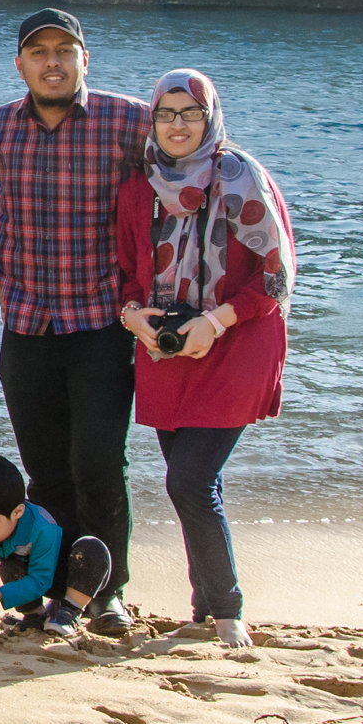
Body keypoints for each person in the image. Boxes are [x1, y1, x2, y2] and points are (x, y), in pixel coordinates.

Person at [0, 9, 151, 637]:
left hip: (101, 324)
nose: (53, 62)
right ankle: (57, 587)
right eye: (39, 52)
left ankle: (107, 593)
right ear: (21, 64)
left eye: (65, 50)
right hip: (27, 325)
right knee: (44, 471)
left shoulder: (128, 121)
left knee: (99, 462)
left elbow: (181, 170)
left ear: (84, 59)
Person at [115, 69, 295, 648]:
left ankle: (225, 609)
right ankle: (204, 607)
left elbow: (276, 276)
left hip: (237, 341)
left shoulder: (240, 178)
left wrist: (215, 322)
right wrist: (132, 315)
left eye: (190, 113)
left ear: (210, 117)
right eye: (166, 113)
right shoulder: (139, 187)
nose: (178, 125)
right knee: (194, 483)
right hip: (167, 349)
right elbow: (128, 273)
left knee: (189, 480)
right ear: (152, 120)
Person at [0, 453, 113, 640]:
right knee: (10, 567)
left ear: (17, 512)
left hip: (77, 577)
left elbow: (41, 580)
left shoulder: (43, 528)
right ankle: (35, 616)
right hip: (37, 578)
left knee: (91, 549)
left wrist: (0, 594)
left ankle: (69, 612)